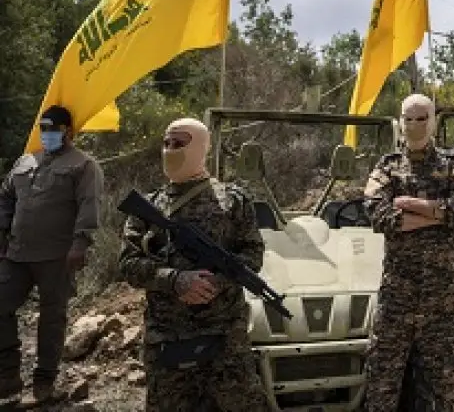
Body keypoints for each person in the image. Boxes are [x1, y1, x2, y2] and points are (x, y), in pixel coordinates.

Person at [117, 117, 271, 411]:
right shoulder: (148, 206)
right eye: (166, 143)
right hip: (167, 337)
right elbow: (128, 263)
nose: (169, 149)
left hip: (225, 338)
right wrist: (174, 279)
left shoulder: (234, 201)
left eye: (179, 143)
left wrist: (216, 281)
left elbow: (253, 254)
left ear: (201, 147)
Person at [362, 93, 454, 411]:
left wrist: (412, 205)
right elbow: (376, 213)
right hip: (397, 298)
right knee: (382, 382)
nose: (414, 125)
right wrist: (439, 215)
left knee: (444, 385)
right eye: (408, 118)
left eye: (421, 118)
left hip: (441, 299)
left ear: (434, 121)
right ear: (400, 121)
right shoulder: (387, 167)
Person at [0, 105, 103, 407]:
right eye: (43, 128)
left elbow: (89, 205)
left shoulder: (83, 165)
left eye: (53, 129)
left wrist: (80, 243)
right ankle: (7, 375)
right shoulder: (24, 161)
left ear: (68, 131)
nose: (47, 134)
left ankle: (44, 381)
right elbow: (5, 196)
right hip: (17, 254)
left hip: (58, 257)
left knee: (52, 319)